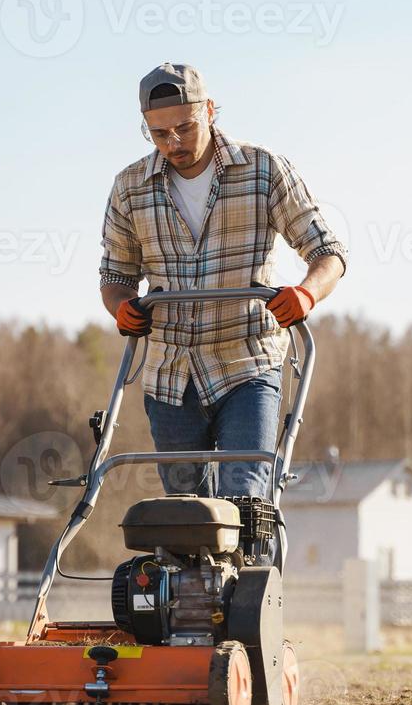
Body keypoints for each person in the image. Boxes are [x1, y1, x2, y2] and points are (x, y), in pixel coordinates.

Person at [98, 62, 347, 500]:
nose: (173, 142)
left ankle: (250, 564)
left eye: (184, 128)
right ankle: (186, 573)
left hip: (248, 363)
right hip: (170, 375)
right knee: (184, 519)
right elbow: (115, 277)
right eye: (159, 134)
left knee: (244, 504)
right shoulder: (130, 188)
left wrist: (306, 293)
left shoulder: (264, 170)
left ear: (210, 110)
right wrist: (121, 305)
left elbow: (328, 253)